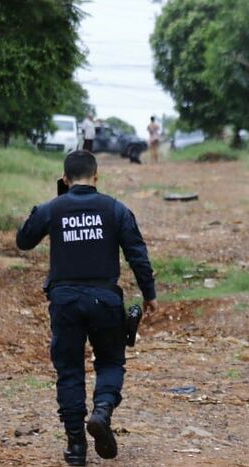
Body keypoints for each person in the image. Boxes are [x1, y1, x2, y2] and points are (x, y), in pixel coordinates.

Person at [15, 151, 158, 465]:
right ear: (97, 176)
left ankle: (76, 445)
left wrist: (56, 205)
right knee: (110, 363)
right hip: (105, 300)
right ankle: (102, 411)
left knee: (69, 371)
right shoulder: (116, 209)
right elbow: (138, 254)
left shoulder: (53, 208)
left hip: (65, 302)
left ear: (65, 179)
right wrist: (149, 295)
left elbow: (23, 241)